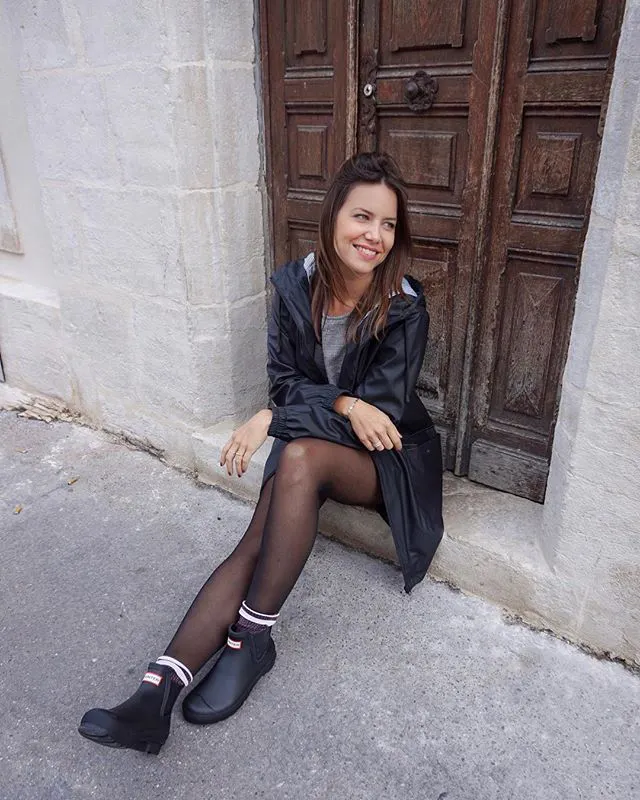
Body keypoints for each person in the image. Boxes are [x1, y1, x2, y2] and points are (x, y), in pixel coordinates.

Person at [78, 151, 444, 755]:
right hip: (312, 438)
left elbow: (376, 415)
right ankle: (155, 695)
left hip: (387, 458)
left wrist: (281, 417)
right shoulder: (295, 287)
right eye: (362, 217)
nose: (374, 236)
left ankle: (251, 641)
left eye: (388, 224)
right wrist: (332, 402)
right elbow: (285, 381)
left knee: (298, 457)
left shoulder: (404, 306)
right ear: (333, 216)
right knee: (257, 539)